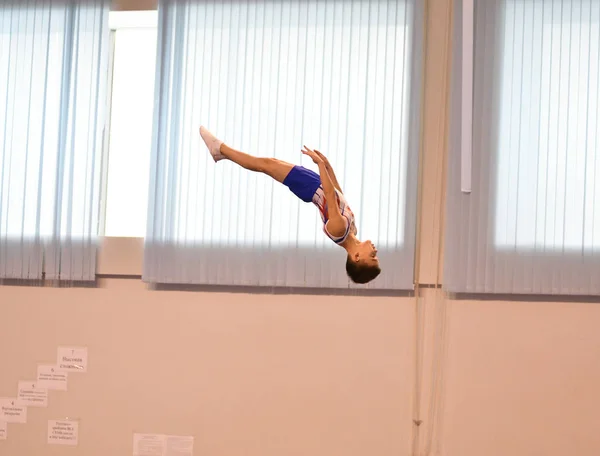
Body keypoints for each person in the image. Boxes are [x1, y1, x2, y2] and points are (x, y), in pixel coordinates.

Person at [199, 126, 381, 284]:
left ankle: (220, 149)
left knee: (266, 165)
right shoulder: (352, 230)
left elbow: (329, 196)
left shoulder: (339, 230)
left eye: (372, 256)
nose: (375, 251)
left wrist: (320, 166)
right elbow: (338, 193)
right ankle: (222, 153)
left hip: (310, 188)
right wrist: (327, 166)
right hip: (316, 183)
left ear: (356, 257)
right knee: (269, 162)